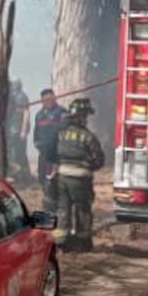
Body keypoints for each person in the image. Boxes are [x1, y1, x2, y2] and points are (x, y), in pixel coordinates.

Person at [46, 97, 103, 252]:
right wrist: (88, 166)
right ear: (82, 117)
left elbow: (50, 154)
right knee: (82, 209)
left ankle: (61, 241)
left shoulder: (60, 134)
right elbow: (99, 161)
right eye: (85, 116)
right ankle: (82, 243)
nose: (86, 119)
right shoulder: (89, 137)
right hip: (81, 179)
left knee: (63, 208)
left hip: (62, 177)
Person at [33, 88, 68, 211]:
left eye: (50, 99)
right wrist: (37, 144)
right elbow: (36, 133)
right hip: (44, 153)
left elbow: (65, 131)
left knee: (57, 179)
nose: (48, 102)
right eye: (45, 100)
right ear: (42, 101)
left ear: (54, 98)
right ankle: (49, 202)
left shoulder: (62, 113)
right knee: (43, 178)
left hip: (58, 154)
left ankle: (60, 204)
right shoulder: (39, 115)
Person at [6, 80, 32, 184]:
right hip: (10, 128)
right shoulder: (9, 95)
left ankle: (22, 177)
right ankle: (19, 176)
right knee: (13, 153)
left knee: (18, 154)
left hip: (17, 129)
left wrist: (23, 130)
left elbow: (26, 112)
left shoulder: (21, 96)